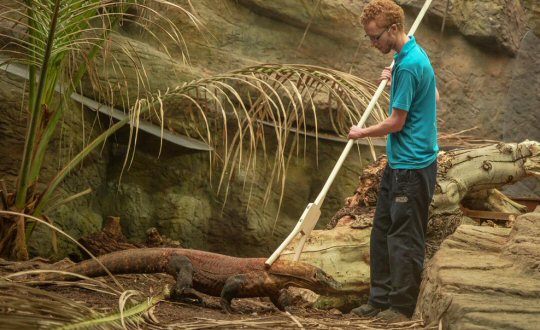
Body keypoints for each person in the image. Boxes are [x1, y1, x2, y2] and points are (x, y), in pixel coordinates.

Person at [347, 0, 438, 323]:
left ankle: (400, 307)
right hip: (398, 163)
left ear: (394, 29)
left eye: (375, 37)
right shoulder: (406, 58)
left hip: (412, 167)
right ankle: (379, 298)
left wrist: (362, 132)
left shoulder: (411, 64)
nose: (373, 44)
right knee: (382, 231)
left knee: (404, 237)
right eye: (369, 38)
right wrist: (395, 72)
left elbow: (396, 122)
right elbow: (433, 95)